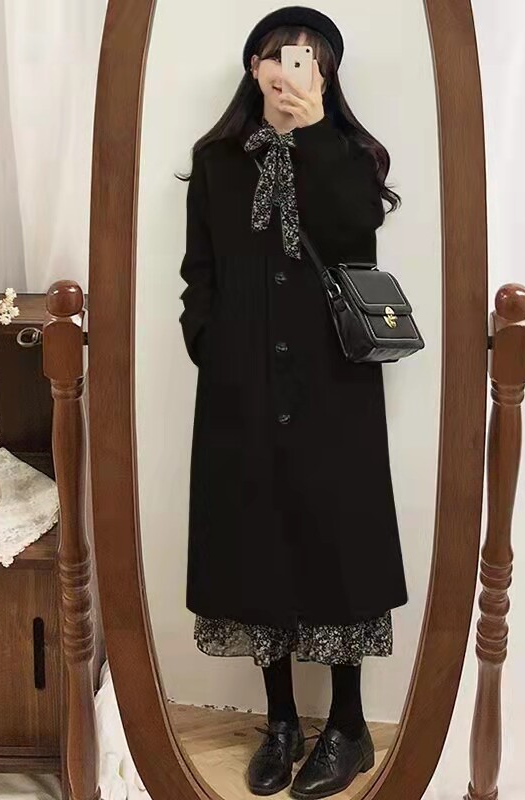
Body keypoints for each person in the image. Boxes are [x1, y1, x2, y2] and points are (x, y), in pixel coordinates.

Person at [176, 6, 407, 798]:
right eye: (280, 55)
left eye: (311, 60)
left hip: (331, 384)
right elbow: (199, 269)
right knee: (253, 541)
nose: (292, 69)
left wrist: (311, 140)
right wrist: (207, 338)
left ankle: (348, 726)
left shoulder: (349, 154)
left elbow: (354, 237)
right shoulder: (216, 159)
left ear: (326, 77)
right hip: (239, 380)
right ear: (256, 66)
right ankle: (280, 720)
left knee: (336, 542)